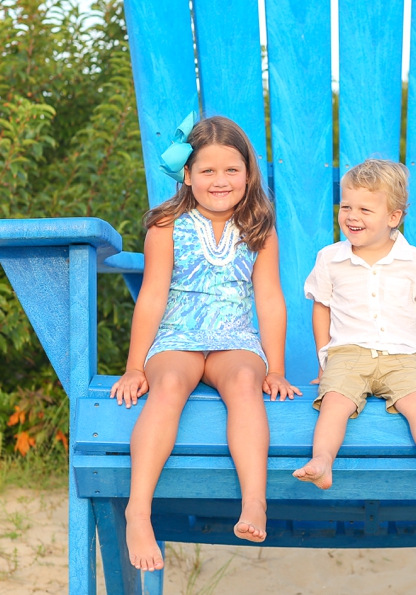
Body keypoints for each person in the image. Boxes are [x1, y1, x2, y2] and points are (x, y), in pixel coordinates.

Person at [110, 114, 300, 569]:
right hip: (178, 333)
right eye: (208, 171)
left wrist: (275, 367)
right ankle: (139, 510)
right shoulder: (167, 226)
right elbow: (153, 296)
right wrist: (136, 365)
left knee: (243, 384)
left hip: (235, 335)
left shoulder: (259, 229)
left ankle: (255, 501)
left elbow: (270, 299)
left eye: (232, 170)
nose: (220, 180)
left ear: (248, 174)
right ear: (188, 175)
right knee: (170, 384)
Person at [293, 158, 416, 490]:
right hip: (348, 353)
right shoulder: (330, 258)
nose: (352, 216)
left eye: (364, 209)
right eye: (346, 206)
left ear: (393, 217)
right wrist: (324, 359)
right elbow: (322, 309)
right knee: (334, 402)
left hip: (402, 356)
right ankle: (322, 461)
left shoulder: (415, 260)